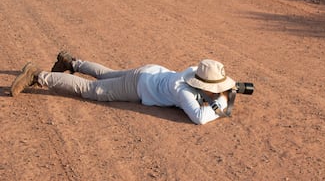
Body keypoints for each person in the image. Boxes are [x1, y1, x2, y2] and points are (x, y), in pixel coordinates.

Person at [11, 52, 237, 124]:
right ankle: (38, 75)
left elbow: (204, 84)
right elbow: (198, 117)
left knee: (107, 74)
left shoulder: (192, 71)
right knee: (92, 90)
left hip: (151, 72)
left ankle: (70, 62)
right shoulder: (184, 91)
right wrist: (222, 101)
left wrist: (216, 92)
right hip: (138, 86)